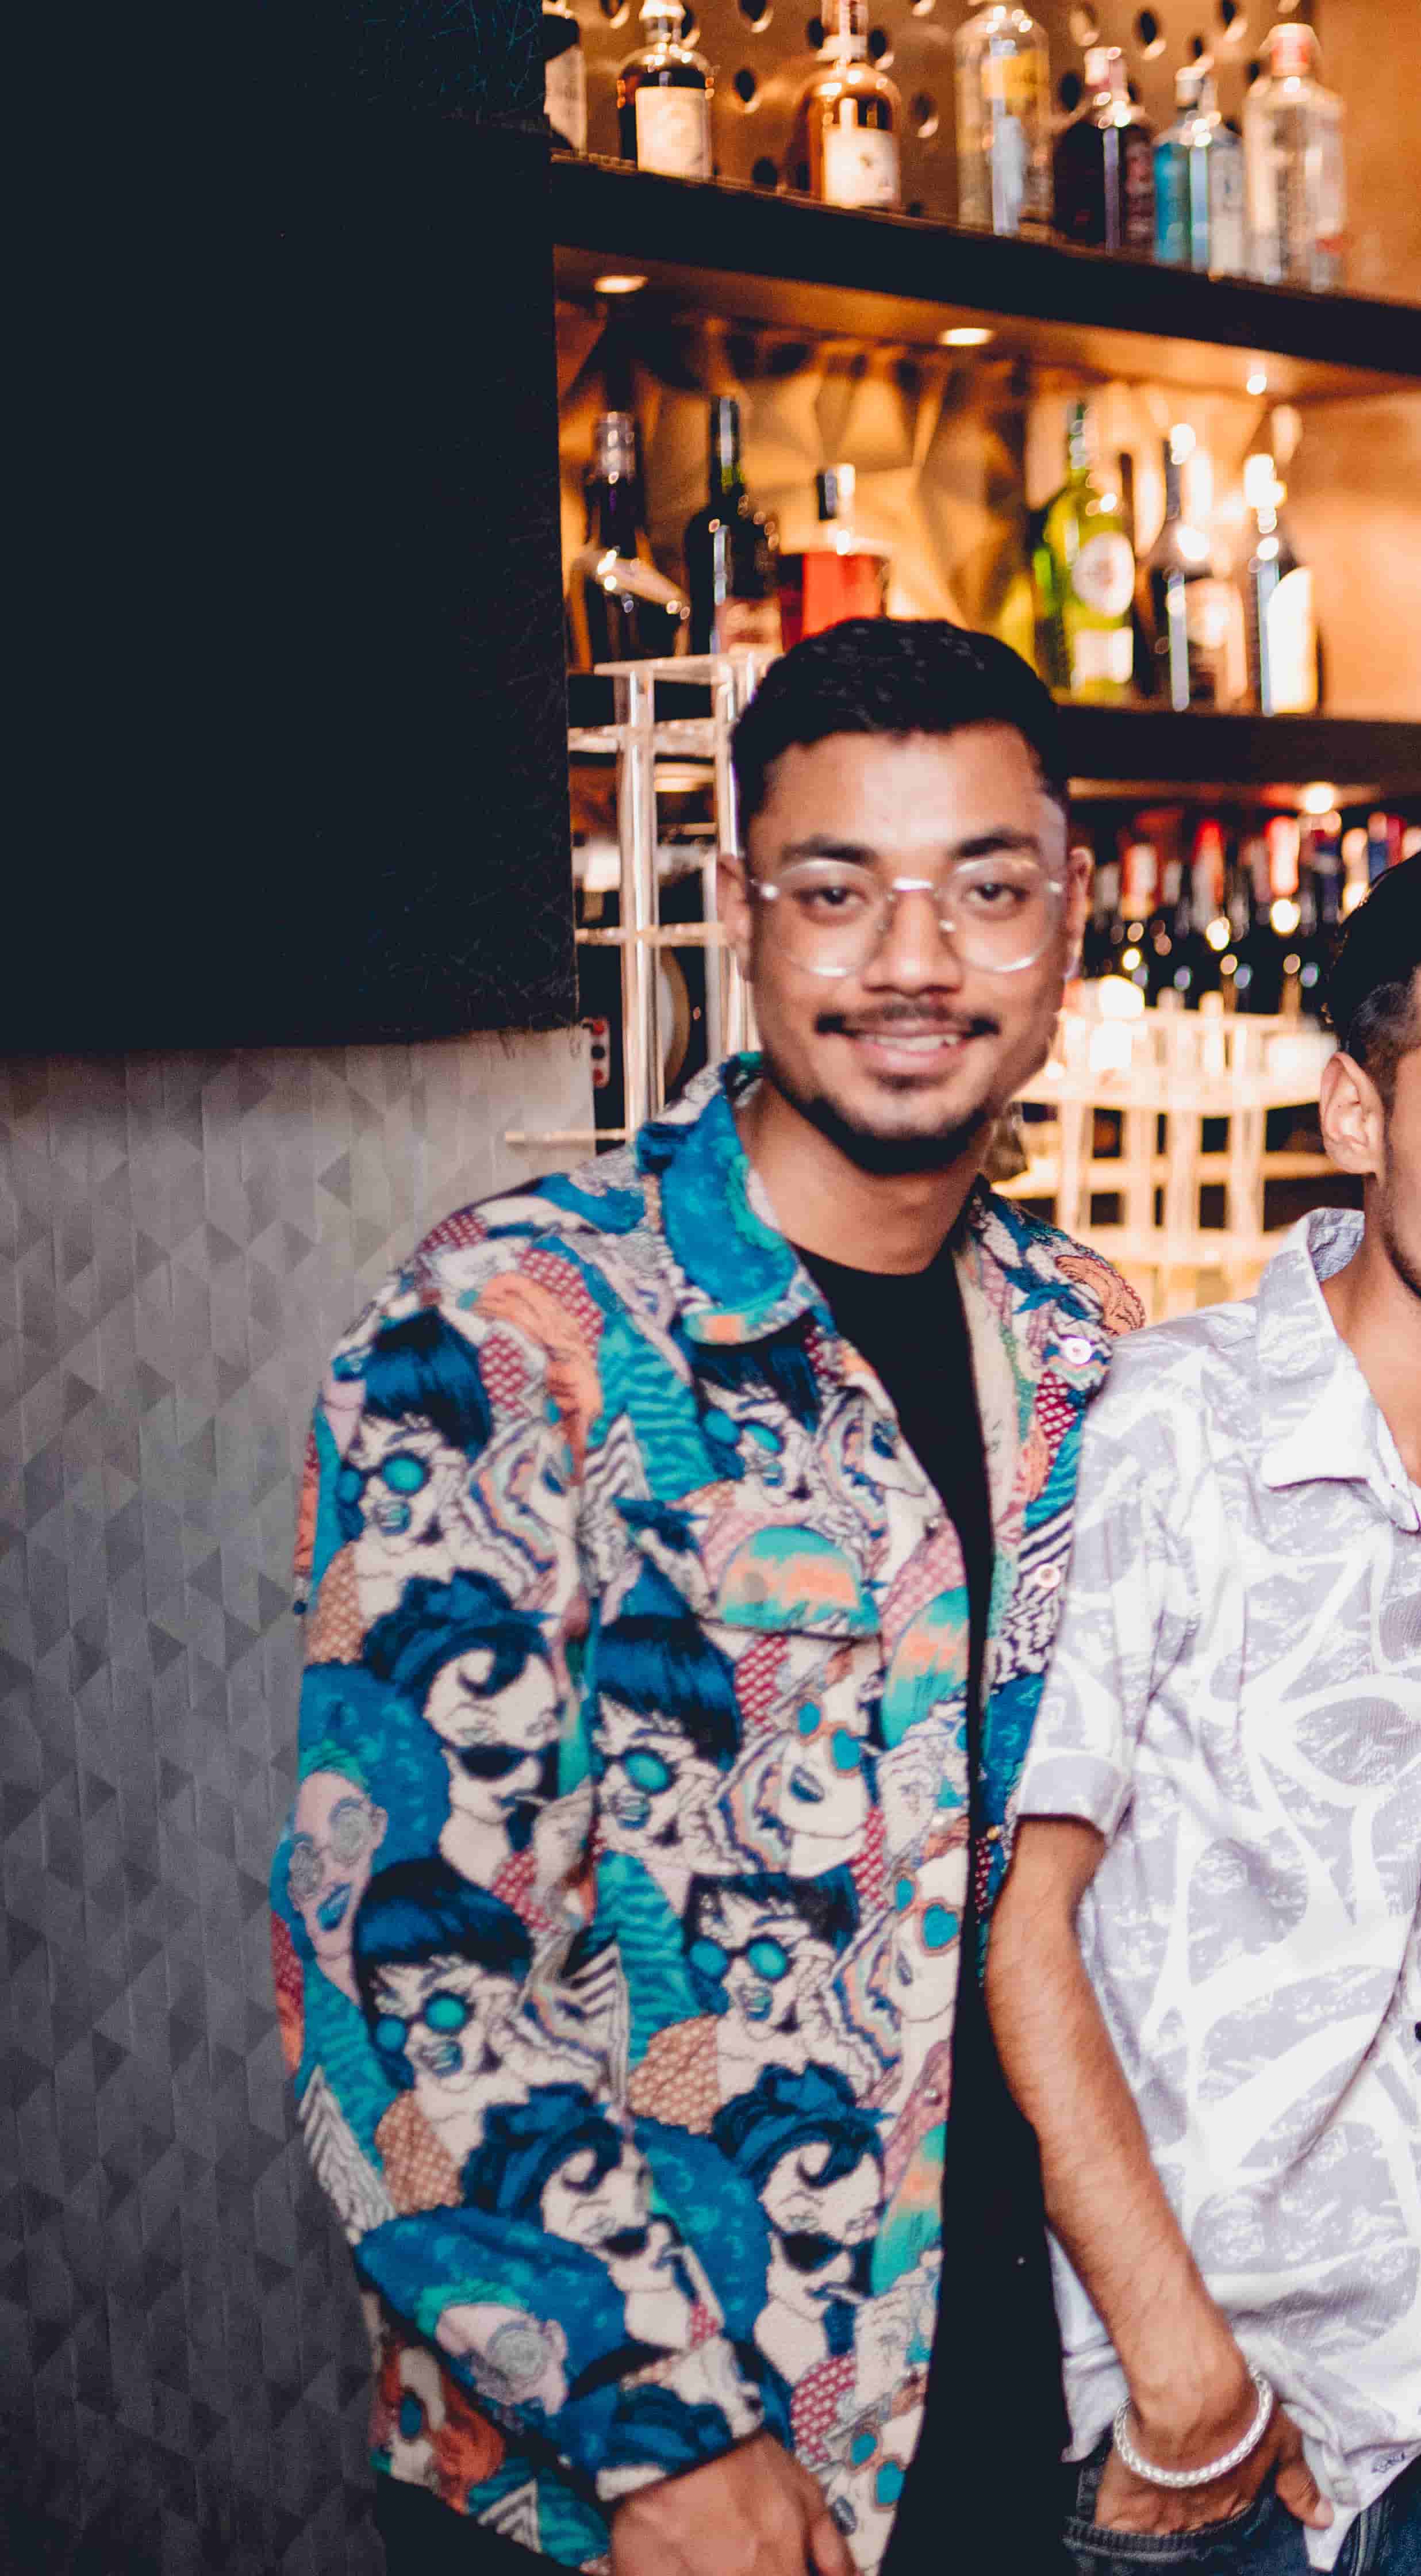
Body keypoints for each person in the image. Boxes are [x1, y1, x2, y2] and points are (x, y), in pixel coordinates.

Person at [276, 619, 1141, 2576]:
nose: (914, 961)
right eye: (838, 892)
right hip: (636, 2486)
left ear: (1068, 918)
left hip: (1008, 2431)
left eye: (984, 889)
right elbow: (399, 1954)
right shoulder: (514, 1330)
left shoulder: (1085, 1346)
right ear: (743, 913)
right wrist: (660, 2432)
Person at [988, 828, 1421, 2576]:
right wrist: (1184, 2389)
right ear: (1359, 1115)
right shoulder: (1169, 1432)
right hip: (1191, 2448)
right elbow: (1013, 1920)